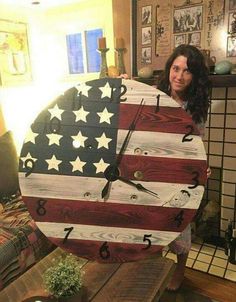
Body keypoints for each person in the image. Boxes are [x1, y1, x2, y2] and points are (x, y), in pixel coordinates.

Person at [157, 44, 211, 291]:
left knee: (181, 223)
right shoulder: (154, 96)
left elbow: (197, 145)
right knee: (152, 222)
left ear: (194, 76)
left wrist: (203, 167)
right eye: (175, 68)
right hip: (153, 171)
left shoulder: (197, 107)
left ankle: (179, 270)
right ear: (169, 69)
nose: (179, 76)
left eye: (187, 71)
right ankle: (153, 268)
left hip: (181, 174)